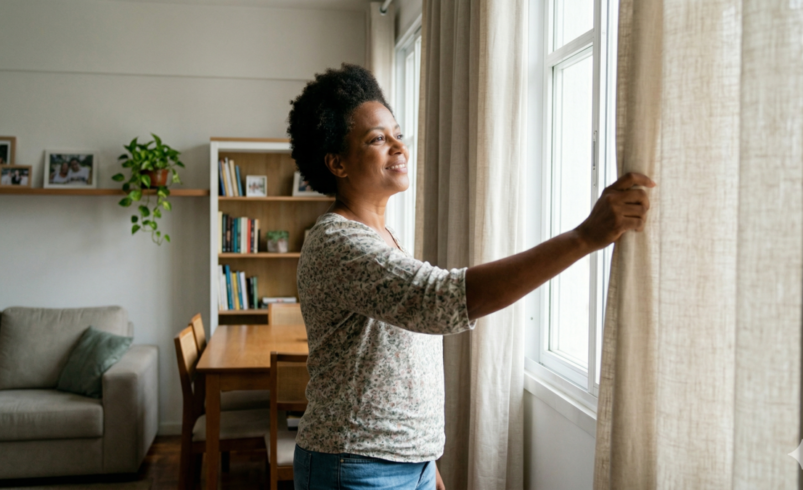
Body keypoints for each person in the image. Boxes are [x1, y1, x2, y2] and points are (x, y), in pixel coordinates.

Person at [288, 64, 654, 490]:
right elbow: (436, 301)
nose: (398, 147)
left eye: (397, 133)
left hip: (403, 463)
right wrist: (584, 238)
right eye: (377, 139)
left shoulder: (383, 236)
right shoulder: (338, 242)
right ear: (337, 163)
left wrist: (424, 461)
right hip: (354, 467)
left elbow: (395, 359)